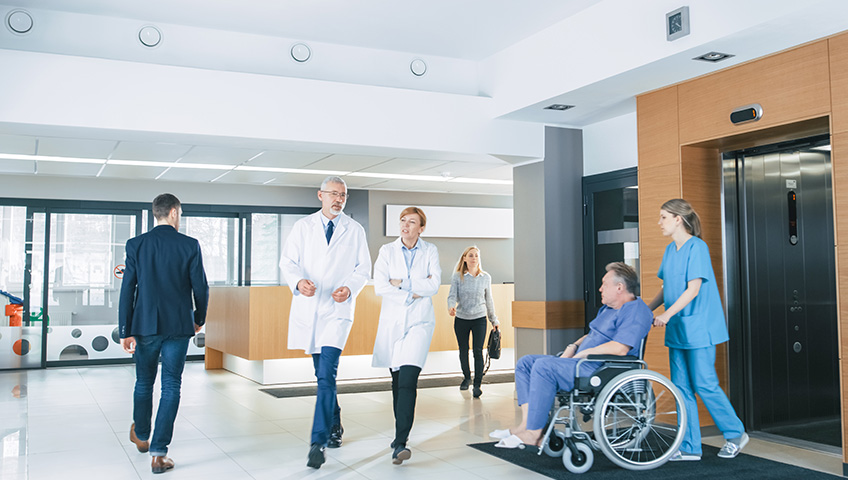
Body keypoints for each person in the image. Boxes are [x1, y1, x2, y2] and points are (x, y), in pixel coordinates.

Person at [490, 262, 652, 448]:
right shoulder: (607, 309)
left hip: (596, 370)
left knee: (544, 367)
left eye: (604, 284)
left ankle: (534, 433)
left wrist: (584, 353)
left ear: (619, 287)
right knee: (526, 363)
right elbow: (592, 335)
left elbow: (620, 348)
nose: (600, 289)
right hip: (580, 362)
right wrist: (573, 346)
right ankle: (527, 425)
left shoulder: (636, 312)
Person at [279, 176, 371, 469]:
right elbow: (287, 263)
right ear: (320, 195)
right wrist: (298, 282)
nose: (339, 199)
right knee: (323, 374)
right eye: (334, 193)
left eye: (343, 195)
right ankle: (335, 423)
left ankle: (317, 442)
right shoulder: (302, 228)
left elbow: (363, 268)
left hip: (337, 311)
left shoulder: (354, 230)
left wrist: (350, 287)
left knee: (326, 374)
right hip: (311, 310)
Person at [647, 198, 748, 461]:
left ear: (678, 219)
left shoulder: (697, 248)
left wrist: (666, 314)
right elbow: (666, 286)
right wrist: (647, 310)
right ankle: (690, 447)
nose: (659, 223)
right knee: (681, 388)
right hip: (678, 329)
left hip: (700, 327)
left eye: (663, 217)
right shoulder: (671, 250)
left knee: (704, 384)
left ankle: (735, 433)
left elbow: (693, 288)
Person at [119, 193, 209, 474]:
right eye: (179, 213)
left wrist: (126, 329)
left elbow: (128, 289)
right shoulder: (190, 245)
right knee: (172, 386)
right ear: (172, 212)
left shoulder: (137, 245)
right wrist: (198, 319)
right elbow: (201, 288)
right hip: (179, 327)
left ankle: (142, 435)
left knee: (144, 383)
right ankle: (159, 453)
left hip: (144, 326)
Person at [372, 207, 441, 465]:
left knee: (408, 380)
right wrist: (411, 291)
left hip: (420, 322)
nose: (405, 225)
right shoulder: (387, 251)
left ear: (421, 228)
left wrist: (400, 283)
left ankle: (401, 442)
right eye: (403, 220)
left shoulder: (430, 250)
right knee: (397, 381)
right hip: (393, 324)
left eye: (412, 222)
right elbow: (380, 285)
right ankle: (399, 433)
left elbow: (434, 285)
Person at [447, 246, 499, 398]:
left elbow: (489, 300)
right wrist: (451, 307)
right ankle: (466, 378)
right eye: (470, 255)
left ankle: (477, 384)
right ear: (464, 258)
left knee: (478, 351)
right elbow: (452, 295)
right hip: (461, 318)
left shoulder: (485, 277)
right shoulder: (458, 276)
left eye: (476, 255)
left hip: (479, 318)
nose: (474, 258)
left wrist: (493, 319)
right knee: (463, 350)